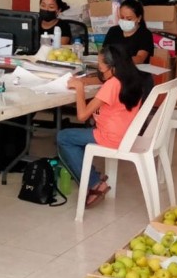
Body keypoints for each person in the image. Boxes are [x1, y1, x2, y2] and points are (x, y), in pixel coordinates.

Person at [56, 44, 150, 207]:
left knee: (63, 137)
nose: (99, 67)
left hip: (111, 137)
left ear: (111, 67)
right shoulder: (132, 78)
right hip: (126, 134)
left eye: (100, 64)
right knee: (77, 136)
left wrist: (79, 88)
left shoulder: (112, 84)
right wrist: (84, 81)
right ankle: (93, 175)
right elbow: (102, 82)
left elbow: (82, 116)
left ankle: (94, 183)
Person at [102, 0, 154, 64]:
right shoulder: (113, 31)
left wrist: (119, 61)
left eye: (129, 19)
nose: (124, 21)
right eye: (122, 17)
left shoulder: (145, 34)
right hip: (113, 68)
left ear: (139, 18)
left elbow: (140, 58)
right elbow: (103, 52)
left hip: (136, 69)